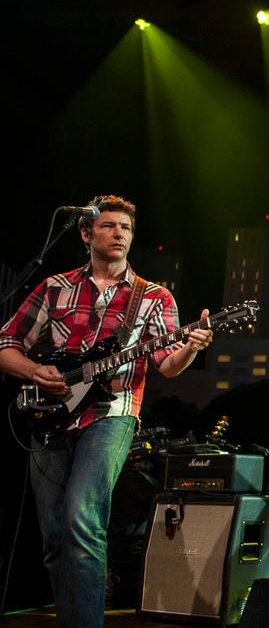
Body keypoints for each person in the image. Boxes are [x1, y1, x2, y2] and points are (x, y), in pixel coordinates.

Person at [0, 195, 214, 628]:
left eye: (126, 229)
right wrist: (36, 371)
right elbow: (6, 346)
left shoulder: (153, 297)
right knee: (55, 538)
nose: (119, 234)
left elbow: (167, 366)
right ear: (85, 233)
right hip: (49, 416)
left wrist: (190, 348)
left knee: (83, 521)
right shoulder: (54, 287)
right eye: (109, 226)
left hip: (112, 413)